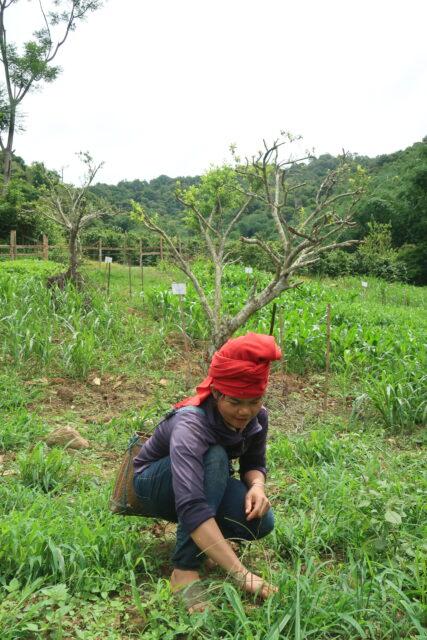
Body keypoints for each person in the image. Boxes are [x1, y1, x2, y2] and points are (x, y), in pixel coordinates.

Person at [133, 332, 281, 612]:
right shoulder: (191, 424)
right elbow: (191, 504)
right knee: (213, 455)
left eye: (254, 400)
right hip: (156, 484)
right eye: (235, 402)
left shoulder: (257, 416)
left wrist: (257, 486)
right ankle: (185, 569)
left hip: (205, 483)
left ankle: (209, 545)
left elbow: (253, 464)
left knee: (260, 522)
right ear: (216, 393)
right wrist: (242, 573)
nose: (245, 411)